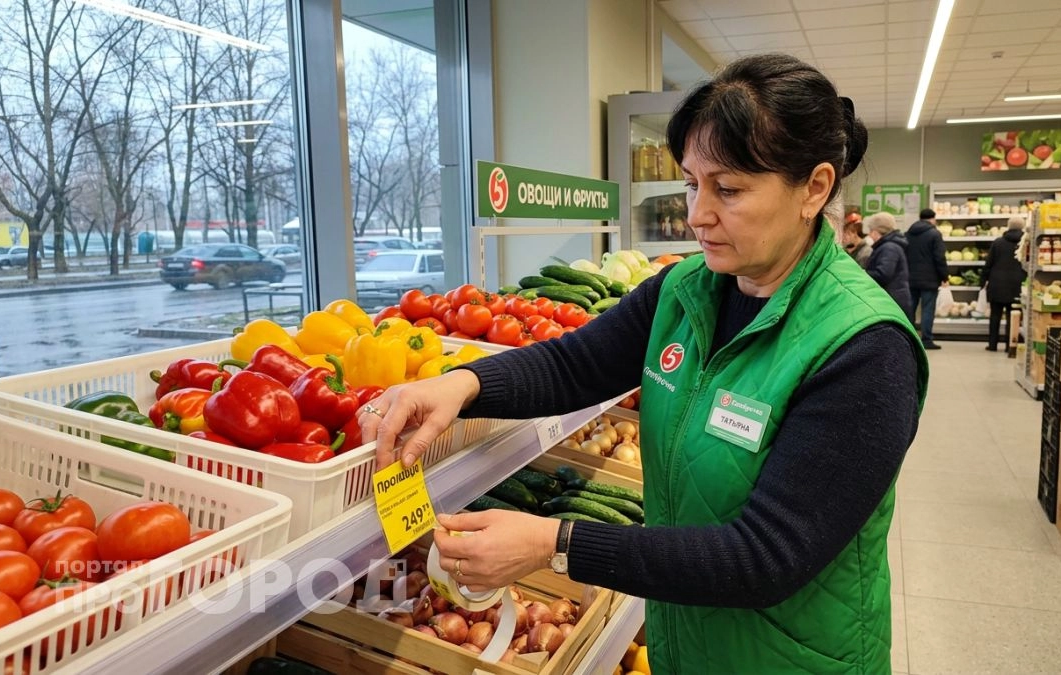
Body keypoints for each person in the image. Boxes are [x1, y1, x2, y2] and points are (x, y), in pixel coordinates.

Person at [360, 53, 927, 674]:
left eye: (728, 189)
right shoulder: (686, 289)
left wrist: (556, 543)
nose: (697, 214)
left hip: (796, 658)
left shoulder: (866, 347)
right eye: (691, 182)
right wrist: (463, 384)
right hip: (688, 640)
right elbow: (576, 365)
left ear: (814, 189)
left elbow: (767, 556)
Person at [980, 216, 1028, 352]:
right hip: (1016, 284)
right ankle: (1010, 344)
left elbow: (988, 264)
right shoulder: (1024, 244)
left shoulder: (998, 242)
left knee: (995, 315)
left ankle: (992, 344)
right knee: (1012, 317)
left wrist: (983, 281)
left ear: (1008, 226)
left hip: (997, 283)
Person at [905, 208, 948, 350]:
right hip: (930, 279)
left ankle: (909, 339)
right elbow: (939, 257)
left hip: (911, 278)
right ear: (933, 219)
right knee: (927, 310)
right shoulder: (935, 234)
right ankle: (927, 340)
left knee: (910, 309)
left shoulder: (908, 233)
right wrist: (944, 276)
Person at [863, 212, 913, 319]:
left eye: (871, 231)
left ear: (876, 232)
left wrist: (862, 273)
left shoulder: (889, 247)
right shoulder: (889, 246)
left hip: (893, 300)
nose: (870, 235)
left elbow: (883, 274)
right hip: (894, 299)